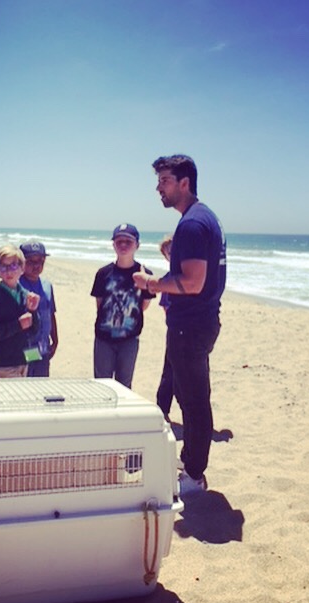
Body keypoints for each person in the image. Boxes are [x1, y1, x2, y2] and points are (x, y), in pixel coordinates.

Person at [133, 155, 226, 495]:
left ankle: (194, 475)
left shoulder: (192, 223)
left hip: (192, 325)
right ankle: (191, 466)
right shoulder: (204, 218)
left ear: (184, 182)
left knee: (194, 402)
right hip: (198, 322)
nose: (159, 187)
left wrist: (151, 284)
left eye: (165, 180)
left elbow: (194, 281)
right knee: (188, 395)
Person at [91, 223, 155, 389]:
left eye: (128, 241)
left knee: (124, 385)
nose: (123, 245)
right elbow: (100, 305)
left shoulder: (145, 275)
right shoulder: (103, 273)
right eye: (119, 241)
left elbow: (144, 306)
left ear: (137, 245)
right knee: (102, 384)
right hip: (104, 338)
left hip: (129, 339)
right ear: (113, 245)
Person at [0, 245, 40, 378]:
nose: (9, 272)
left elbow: (34, 329)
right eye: (3, 267)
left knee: (20, 395)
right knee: (13, 394)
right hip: (2, 361)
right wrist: (17, 325)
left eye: (13, 266)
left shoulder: (25, 295)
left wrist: (33, 311)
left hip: (23, 357)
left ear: (22, 268)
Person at [19, 241, 58, 376]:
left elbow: (51, 313)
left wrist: (56, 339)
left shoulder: (47, 286)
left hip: (44, 346)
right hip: (26, 347)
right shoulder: (18, 286)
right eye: (30, 262)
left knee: (41, 385)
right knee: (27, 383)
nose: (36, 266)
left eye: (40, 261)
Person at [156, 235, 174, 421]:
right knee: (169, 371)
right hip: (175, 329)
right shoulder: (167, 280)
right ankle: (163, 409)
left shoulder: (188, 275)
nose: (173, 254)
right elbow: (165, 306)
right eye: (169, 252)